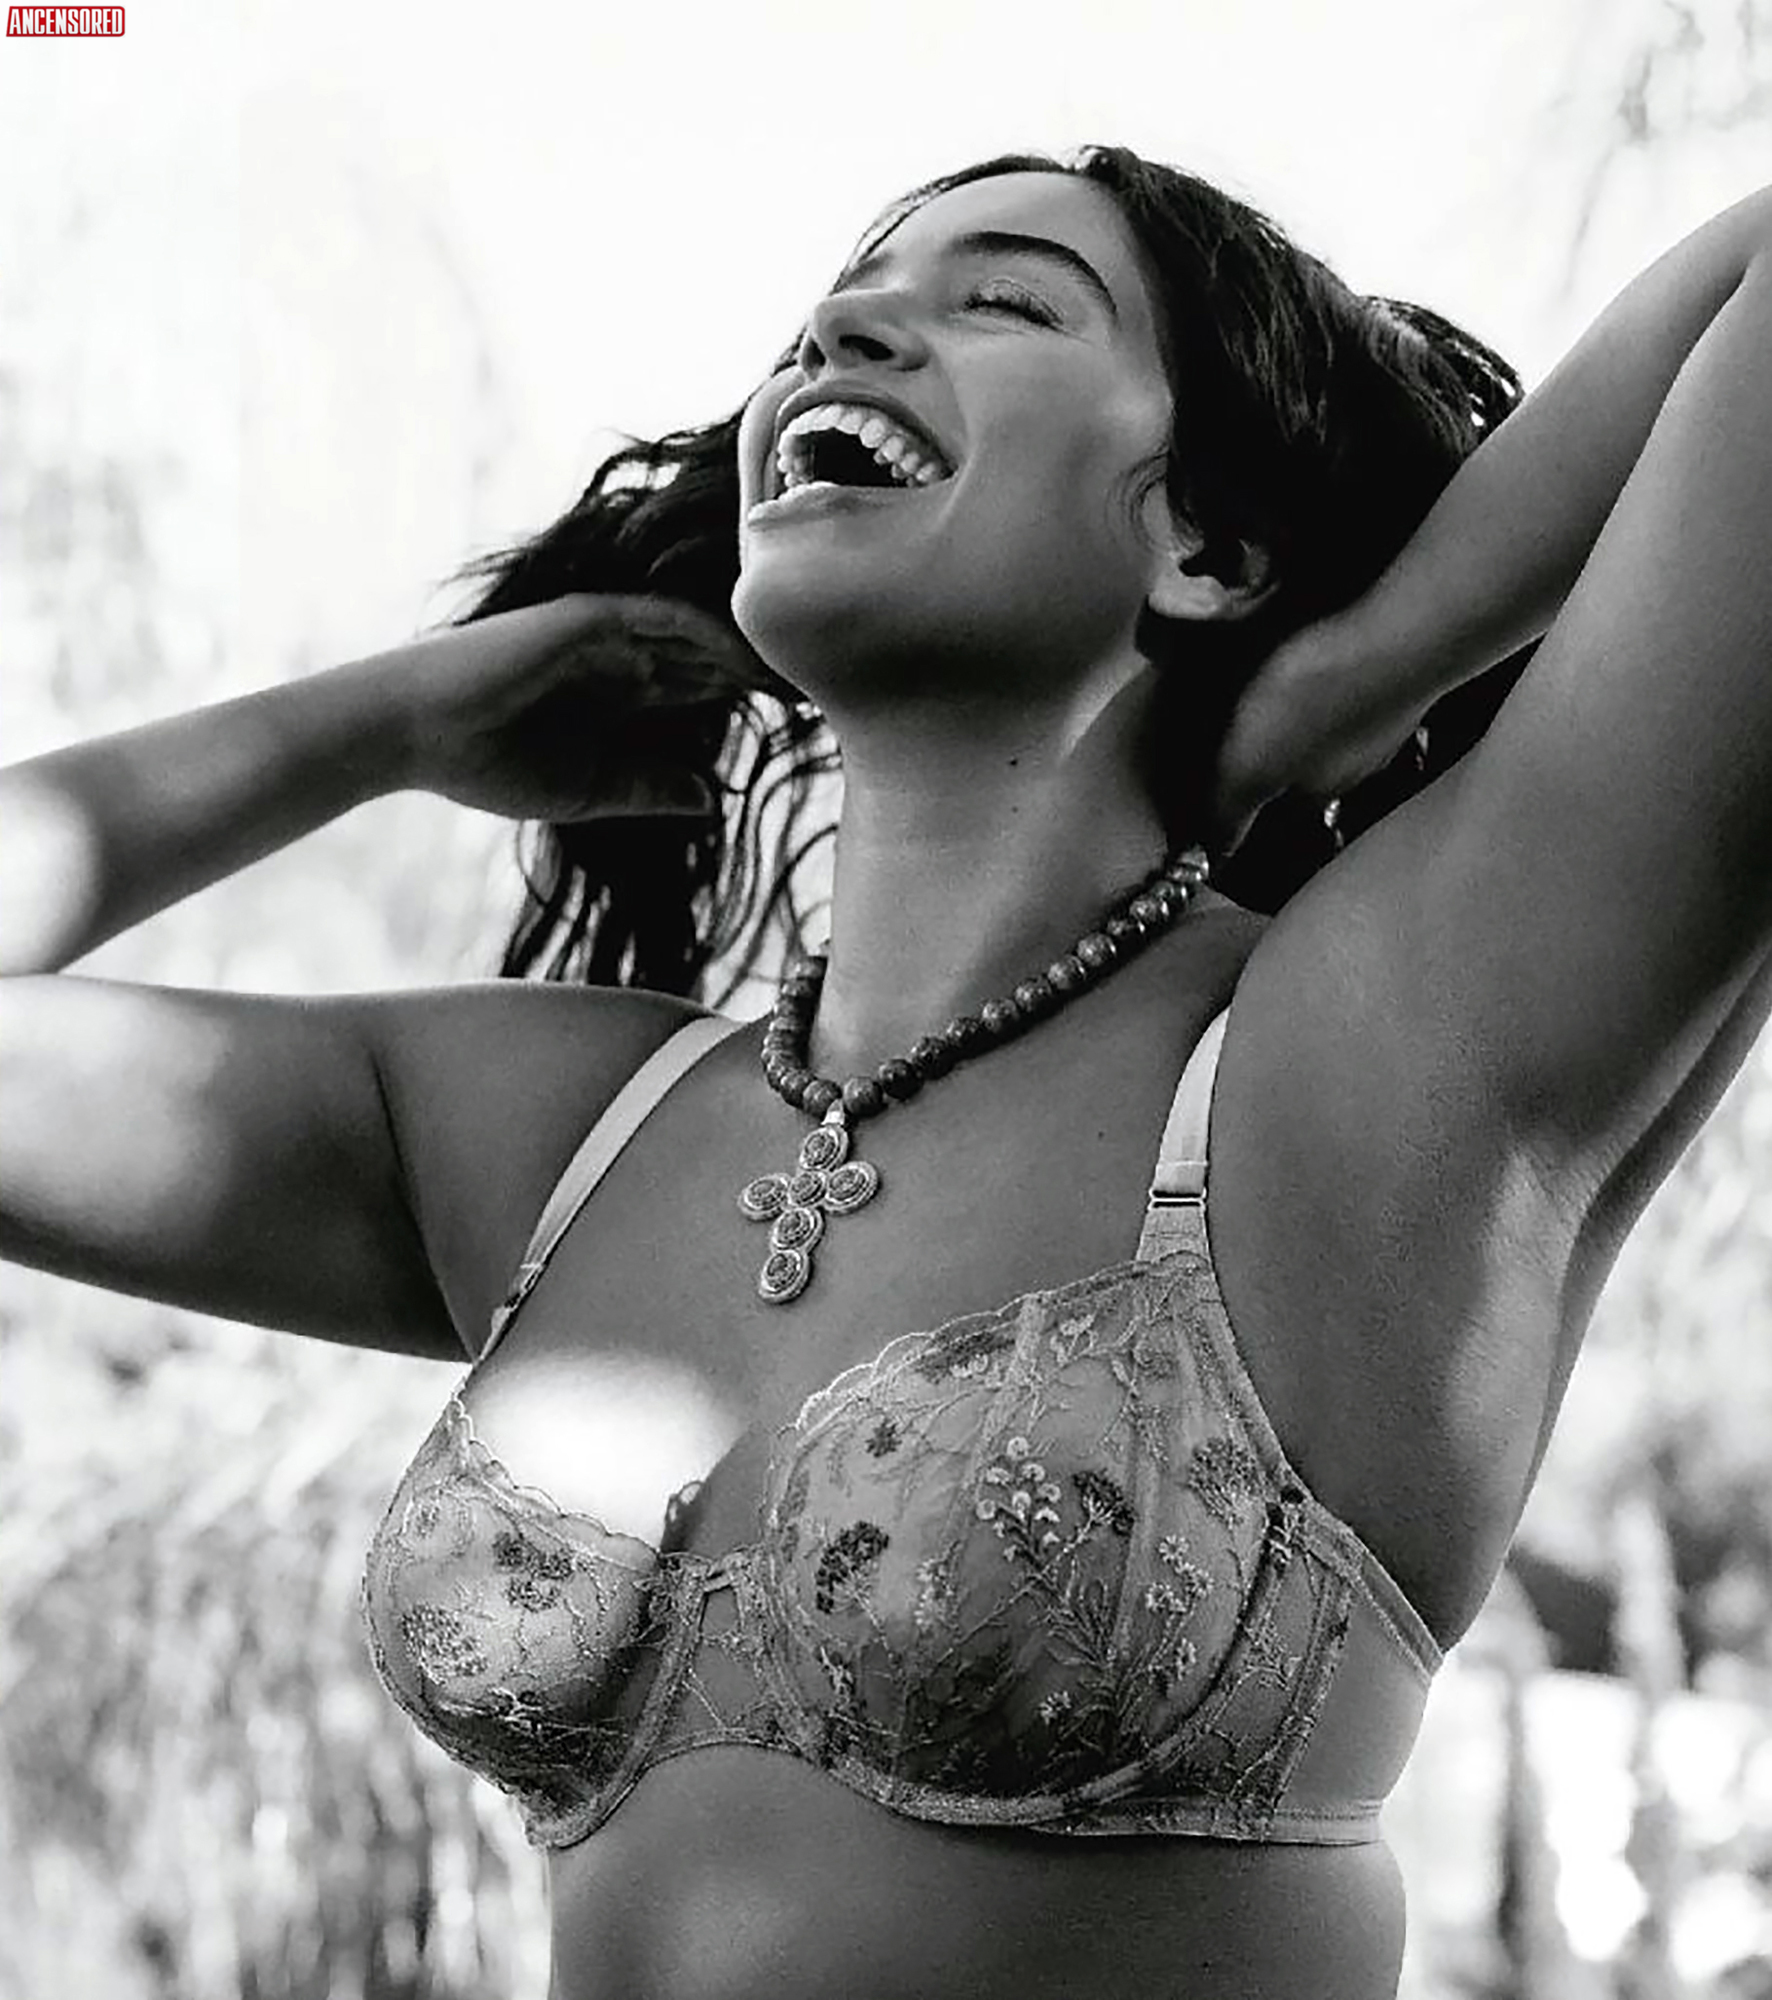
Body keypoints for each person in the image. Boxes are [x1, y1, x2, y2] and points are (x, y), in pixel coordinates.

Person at [2, 143, 1768, 2000]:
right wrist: (394, 718)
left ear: (1207, 548)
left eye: (1004, 300)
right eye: (840, 306)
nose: (847, 324)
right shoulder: (566, 1140)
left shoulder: (1368, 1053)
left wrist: (1359, 677)